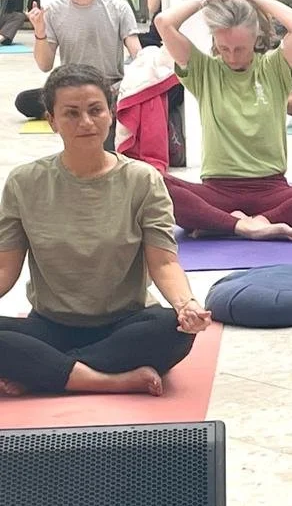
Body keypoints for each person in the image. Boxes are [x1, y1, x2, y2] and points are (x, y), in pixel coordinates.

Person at [0, 65, 209, 396]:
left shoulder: (142, 180)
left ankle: (46, 372)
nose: (86, 122)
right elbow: (4, 269)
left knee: (173, 330)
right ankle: (107, 379)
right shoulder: (24, 183)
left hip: (126, 324)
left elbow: (164, 263)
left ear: (111, 113)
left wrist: (187, 305)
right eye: (71, 113)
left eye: (95, 110)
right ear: (51, 120)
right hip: (49, 326)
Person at [157, 0, 292, 241]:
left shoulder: (274, 69)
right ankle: (241, 226)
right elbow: (163, 23)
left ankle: (242, 222)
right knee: (152, 183)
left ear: (256, 38)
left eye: (240, 48)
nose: (231, 56)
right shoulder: (203, 71)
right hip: (217, 192)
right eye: (223, 47)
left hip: (271, 191)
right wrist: (203, 0)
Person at [15, 0, 140, 120]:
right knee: (24, 100)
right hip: (71, 87)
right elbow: (45, 65)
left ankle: (79, 112)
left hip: (109, 87)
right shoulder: (55, 11)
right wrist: (40, 31)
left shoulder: (118, 8)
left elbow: (137, 53)